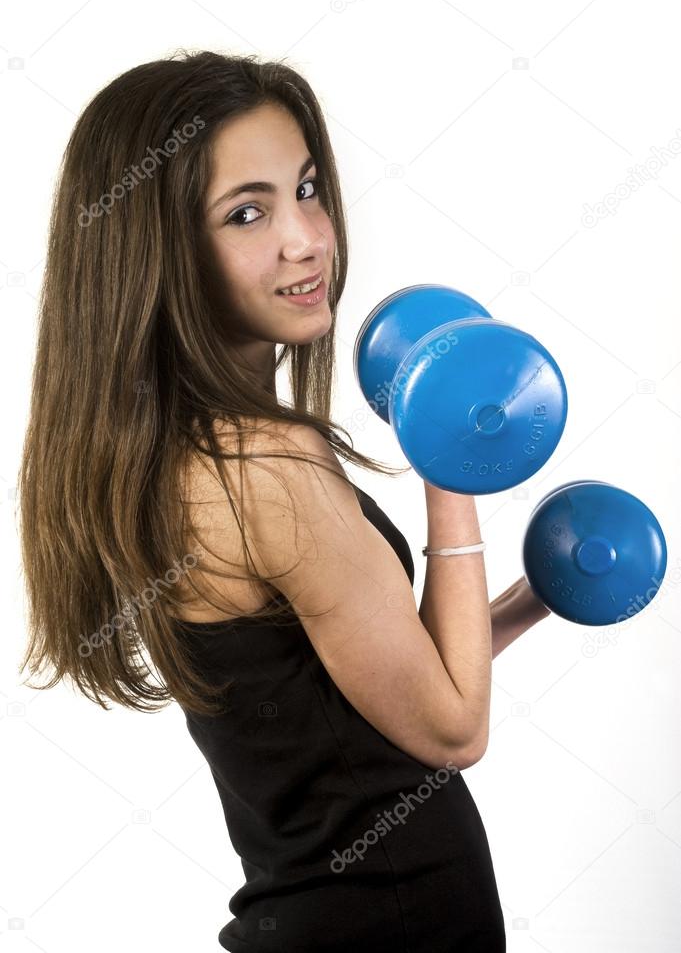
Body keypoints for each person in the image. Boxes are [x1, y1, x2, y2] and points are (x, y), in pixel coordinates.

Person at [18, 48, 548, 951]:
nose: (306, 237)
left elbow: (377, 675)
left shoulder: (166, 458)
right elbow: (451, 728)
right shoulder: (268, 465)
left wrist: (535, 596)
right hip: (389, 918)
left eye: (306, 189)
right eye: (247, 212)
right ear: (159, 249)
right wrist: (450, 461)